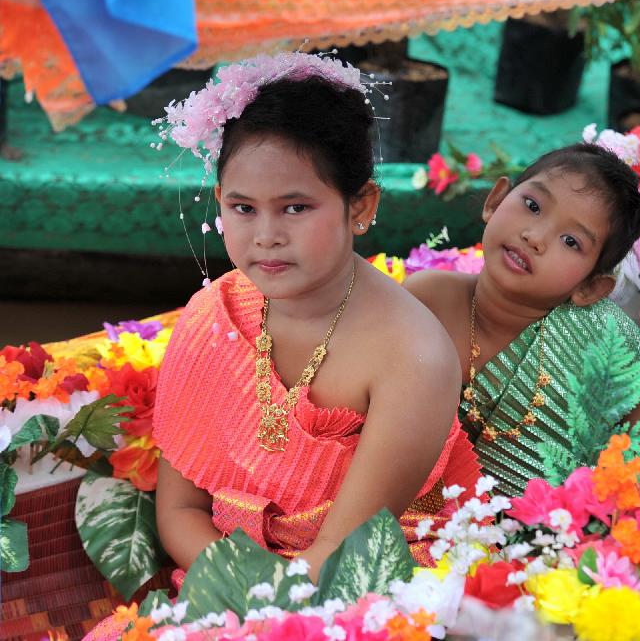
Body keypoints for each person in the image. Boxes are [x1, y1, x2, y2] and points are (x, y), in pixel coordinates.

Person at [148, 54, 481, 579]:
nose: (266, 235)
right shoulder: (215, 315)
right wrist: (237, 587)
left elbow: (341, 557)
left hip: (362, 591)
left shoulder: (411, 356)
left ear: (361, 206)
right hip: (224, 576)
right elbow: (179, 511)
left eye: (296, 207)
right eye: (243, 208)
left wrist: (264, 601)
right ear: (219, 202)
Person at [405, 143, 640, 496]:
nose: (535, 237)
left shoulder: (598, 343)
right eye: (532, 206)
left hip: (541, 535)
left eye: (570, 241)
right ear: (496, 200)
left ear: (590, 288)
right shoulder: (428, 297)